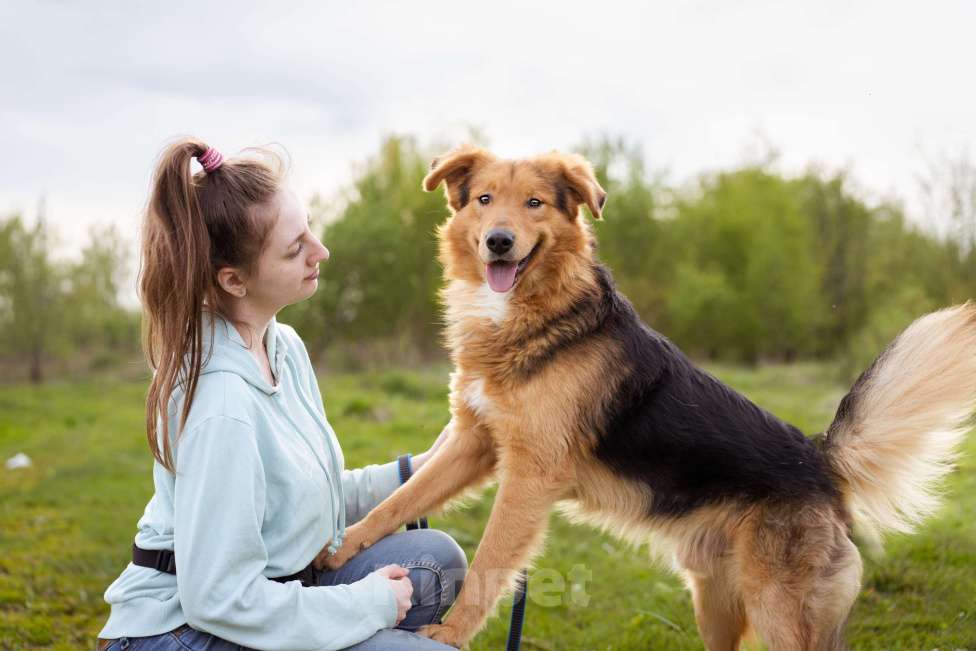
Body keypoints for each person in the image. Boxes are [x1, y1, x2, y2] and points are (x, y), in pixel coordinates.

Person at [96, 138, 466, 651]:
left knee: (436, 563)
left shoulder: (282, 345)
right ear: (234, 280)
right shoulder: (220, 405)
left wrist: (421, 467)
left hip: (273, 587)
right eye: (295, 249)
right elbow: (219, 597)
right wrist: (365, 605)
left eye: (309, 229)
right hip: (184, 632)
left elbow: (301, 498)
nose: (321, 251)